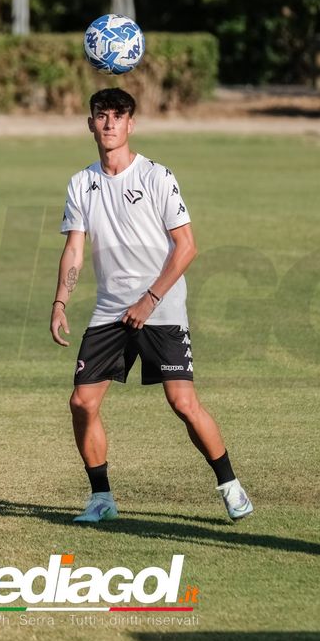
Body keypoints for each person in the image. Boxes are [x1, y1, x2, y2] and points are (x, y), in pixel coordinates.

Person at [50, 87, 252, 524]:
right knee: (82, 404)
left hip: (161, 307)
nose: (109, 123)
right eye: (101, 115)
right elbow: (74, 250)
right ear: (90, 123)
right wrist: (61, 301)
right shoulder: (81, 183)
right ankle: (101, 498)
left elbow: (187, 247)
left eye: (117, 116)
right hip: (110, 310)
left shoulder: (157, 176)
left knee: (182, 402)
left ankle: (230, 485)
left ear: (131, 124)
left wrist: (150, 298)